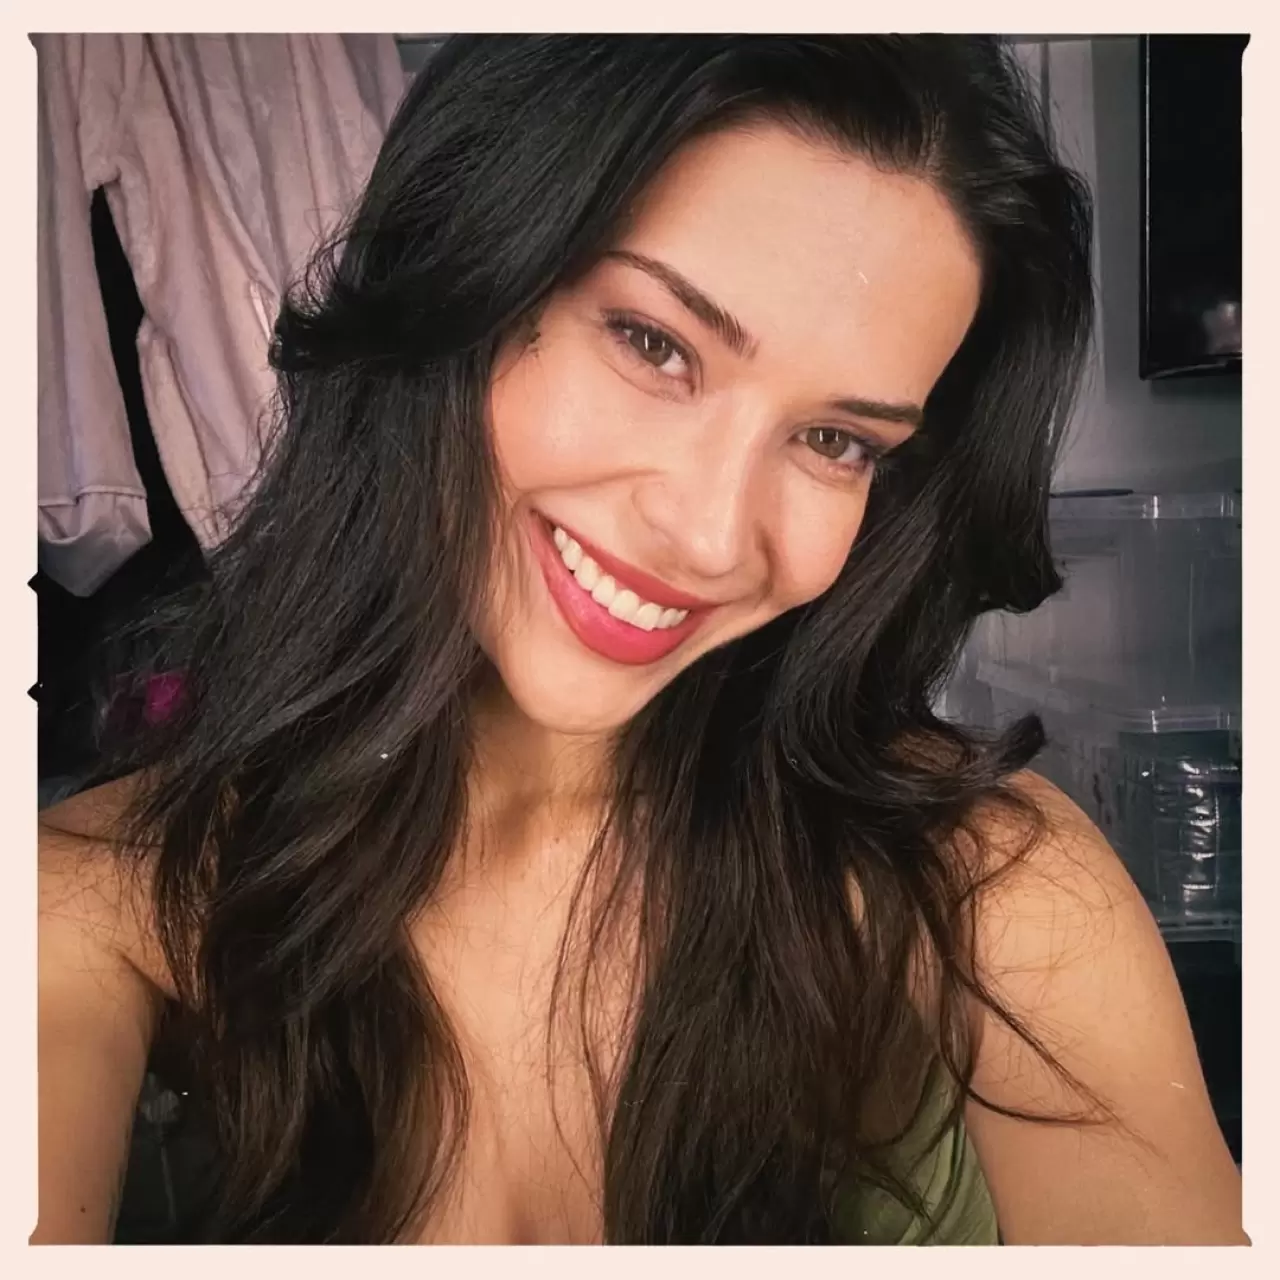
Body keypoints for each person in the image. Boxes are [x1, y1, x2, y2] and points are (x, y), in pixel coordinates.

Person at [34, 35, 1246, 1246]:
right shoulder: (89, 909)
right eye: (654, 343)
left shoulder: (994, 891)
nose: (709, 536)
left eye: (835, 441)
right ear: (463, 276)